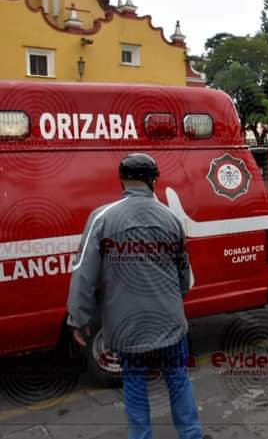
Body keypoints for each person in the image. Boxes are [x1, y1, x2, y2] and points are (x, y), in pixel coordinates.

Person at [67, 153, 202, 439]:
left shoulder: (102, 217)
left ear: (122, 180)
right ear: (153, 180)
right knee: (177, 379)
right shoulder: (170, 218)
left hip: (127, 326)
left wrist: (78, 318)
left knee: (135, 382)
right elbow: (184, 276)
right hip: (169, 321)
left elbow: (83, 273)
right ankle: (191, 435)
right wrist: (173, 300)